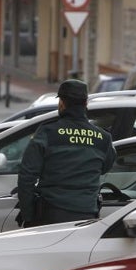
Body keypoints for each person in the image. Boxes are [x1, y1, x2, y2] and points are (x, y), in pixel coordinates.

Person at [17, 79, 117, 227]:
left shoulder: (47, 132)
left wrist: (28, 215)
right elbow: (105, 167)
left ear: (62, 103)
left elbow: (26, 177)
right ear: (86, 104)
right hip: (87, 216)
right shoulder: (103, 138)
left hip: (51, 216)